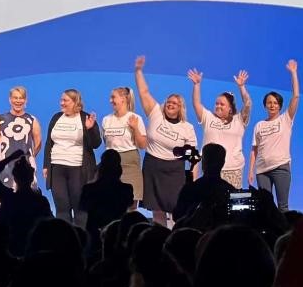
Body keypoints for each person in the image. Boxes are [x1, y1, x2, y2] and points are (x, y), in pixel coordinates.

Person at [134, 55, 198, 227]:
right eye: (168, 101)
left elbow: (193, 157)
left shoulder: (187, 128)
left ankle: (177, 236)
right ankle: (159, 236)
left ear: (180, 108)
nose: (170, 104)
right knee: (157, 210)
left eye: (175, 103)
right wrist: (138, 70)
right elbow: (144, 92)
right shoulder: (156, 113)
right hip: (152, 166)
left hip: (174, 171)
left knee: (177, 209)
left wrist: (193, 180)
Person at [42, 89, 102, 227]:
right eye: (61, 100)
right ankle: (64, 237)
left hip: (78, 168)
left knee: (79, 207)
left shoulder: (86, 118)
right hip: (57, 167)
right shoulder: (56, 117)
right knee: (61, 207)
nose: (61, 103)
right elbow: (49, 143)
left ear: (75, 102)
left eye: (65, 100)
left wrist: (90, 129)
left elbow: (96, 144)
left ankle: (81, 237)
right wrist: (46, 165)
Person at [0, 86, 42, 217]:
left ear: (25, 100)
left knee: (28, 202)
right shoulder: (0, 118)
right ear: (10, 99)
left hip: (25, 169)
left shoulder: (32, 120)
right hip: (4, 169)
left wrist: (29, 159)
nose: (18, 101)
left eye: (21, 98)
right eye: (15, 98)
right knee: (3, 199)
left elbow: (38, 144)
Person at [249, 59, 300, 212]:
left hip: (280, 167)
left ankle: (285, 228)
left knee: (282, 207)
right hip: (261, 171)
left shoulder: (285, 119)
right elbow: (254, 149)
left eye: (275, 103)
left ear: (280, 106)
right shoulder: (259, 125)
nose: (272, 105)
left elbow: (296, 96)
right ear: (265, 105)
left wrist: (293, 73)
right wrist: (251, 171)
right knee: (265, 208)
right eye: (269, 102)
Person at [187, 68, 251, 188]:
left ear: (230, 108)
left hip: (233, 170)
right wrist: (196, 85)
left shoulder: (239, 120)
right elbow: (196, 103)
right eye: (216, 103)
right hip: (210, 170)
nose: (218, 106)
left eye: (222, 104)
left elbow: (247, 104)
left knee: (229, 199)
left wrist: (241, 87)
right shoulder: (208, 117)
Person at [0, 149, 52, 256]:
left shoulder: (8, 198)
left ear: (15, 177)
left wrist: (11, 157)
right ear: (32, 176)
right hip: (33, 251)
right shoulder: (41, 201)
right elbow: (50, 226)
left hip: (11, 250)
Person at [79, 149, 135, 256]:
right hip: (118, 238)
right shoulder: (126, 189)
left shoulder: (89, 189)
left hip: (93, 238)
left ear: (101, 167)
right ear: (119, 169)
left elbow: (82, 207)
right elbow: (130, 204)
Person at [101, 86, 147, 208]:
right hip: (110, 163)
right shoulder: (106, 120)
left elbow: (142, 145)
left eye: (113, 97)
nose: (110, 100)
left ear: (123, 99)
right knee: (111, 204)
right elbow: (106, 142)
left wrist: (135, 128)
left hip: (130, 162)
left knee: (130, 203)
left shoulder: (135, 118)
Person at [173, 143, 235, 223]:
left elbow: (178, 216)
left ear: (203, 162)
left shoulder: (190, 189)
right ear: (223, 163)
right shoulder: (230, 191)